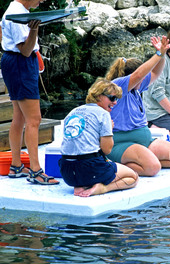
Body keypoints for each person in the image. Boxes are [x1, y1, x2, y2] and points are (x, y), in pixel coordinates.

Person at [105, 36, 170, 176]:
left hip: (145, 141)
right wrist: (158, 54)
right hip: (122, 143)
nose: (144, 80)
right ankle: (114, 164)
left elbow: (155, 73)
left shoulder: (137, 88)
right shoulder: (118, 86)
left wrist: (162, 56)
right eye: (142, 78)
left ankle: (144, 160)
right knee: (153, 168)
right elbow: (138, 75)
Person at [1, 0, 59, 185]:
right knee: (34, 120)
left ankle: (16, 166)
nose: (42, 1)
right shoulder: (16, 14)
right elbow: (25, 51)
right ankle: (35, 171)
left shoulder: (16, 9)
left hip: (15, 63)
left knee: (19, 116)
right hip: (20, 63)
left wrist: (37, 54)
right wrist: (34, 30)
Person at [59, 79, 138, 197]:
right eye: (112, 98)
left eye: (116, 99)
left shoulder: (72, 112)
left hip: (67, 173)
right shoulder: (103, 113)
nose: (115, 102)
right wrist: (109, 129)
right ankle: (103, 188)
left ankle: (82, 185)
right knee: (133, 177)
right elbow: (107, 150)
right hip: (90, 169)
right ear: (99, 96)